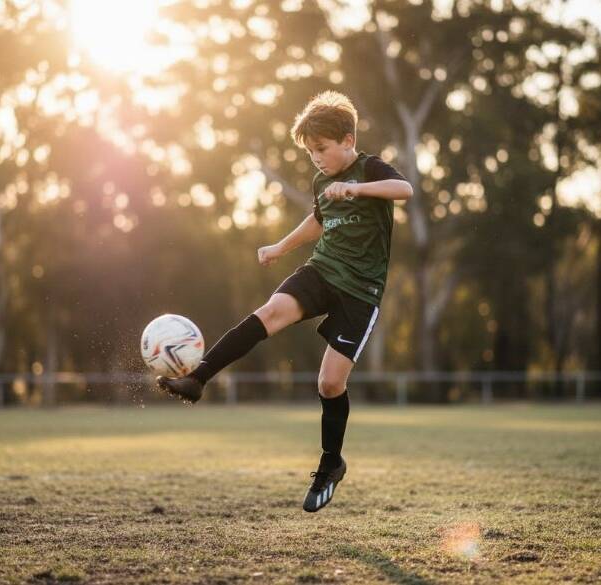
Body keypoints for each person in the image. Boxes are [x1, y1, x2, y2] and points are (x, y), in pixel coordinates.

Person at [157, 90, 413, 512]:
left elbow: (404, 189)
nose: (316, 158)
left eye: (322, 149)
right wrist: (280, 247)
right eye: (311, 151)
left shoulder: (369, 168)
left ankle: (331, 463)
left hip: (360, 290)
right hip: (322, 270)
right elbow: (317, 220)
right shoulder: (321, 180)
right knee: (270, 312)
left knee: (330, 384)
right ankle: (198, 378)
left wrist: (356, 190)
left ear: (347, 139)